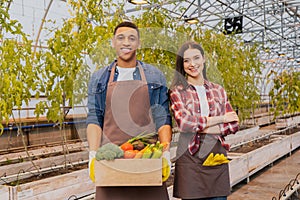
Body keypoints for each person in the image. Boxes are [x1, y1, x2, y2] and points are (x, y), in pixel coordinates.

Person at [86, 21, 172, 200]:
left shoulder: (154, 76)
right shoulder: (99, 78)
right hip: (111, 160)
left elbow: (162, 117)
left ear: (139, 43)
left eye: (132, 38)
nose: (126, 42)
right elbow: (95, 117)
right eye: (121, 38)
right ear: (113, 42)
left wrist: (165, 152)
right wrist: (93, 153)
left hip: (146, 159)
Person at [169, 41, 239, 200]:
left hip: (216, 153)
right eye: (186, 60)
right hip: (189, 157)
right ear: (182, 64)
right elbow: (185, 123)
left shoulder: (218, 90)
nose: (192, 64)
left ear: (204, 59)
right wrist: (220, 119)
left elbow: (234, 124)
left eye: (196, 58)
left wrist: (200, 127)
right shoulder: (177, 91)